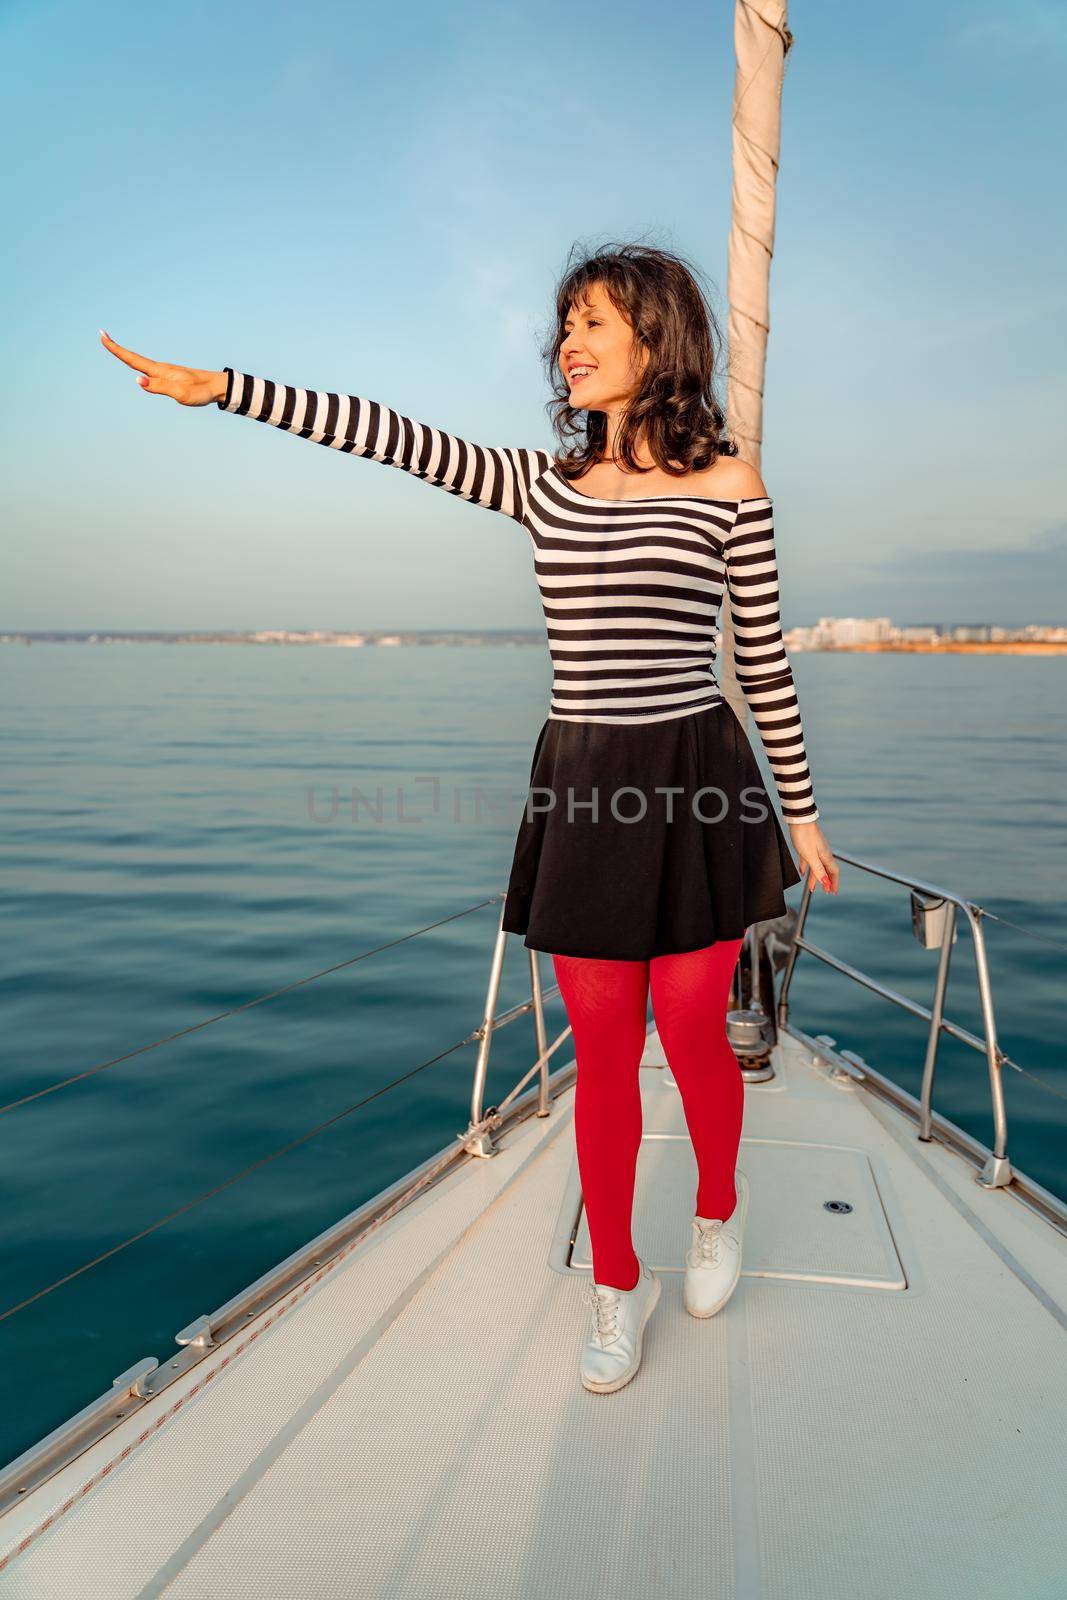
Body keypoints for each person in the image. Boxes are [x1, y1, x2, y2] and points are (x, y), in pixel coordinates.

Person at [100, 240, 839, 1398]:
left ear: (661, 339)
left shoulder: (727, 486)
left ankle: (714, 1211)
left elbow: (761, 660)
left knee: (695, 1035)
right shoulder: (542, 484)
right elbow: (390, 434)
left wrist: (797, 815)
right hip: (589, 785)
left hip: (699, 780)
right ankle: (613, 1287)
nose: (571, 345)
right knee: (601, 1058)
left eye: (596, 321)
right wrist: (224, 390)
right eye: (565, 327)